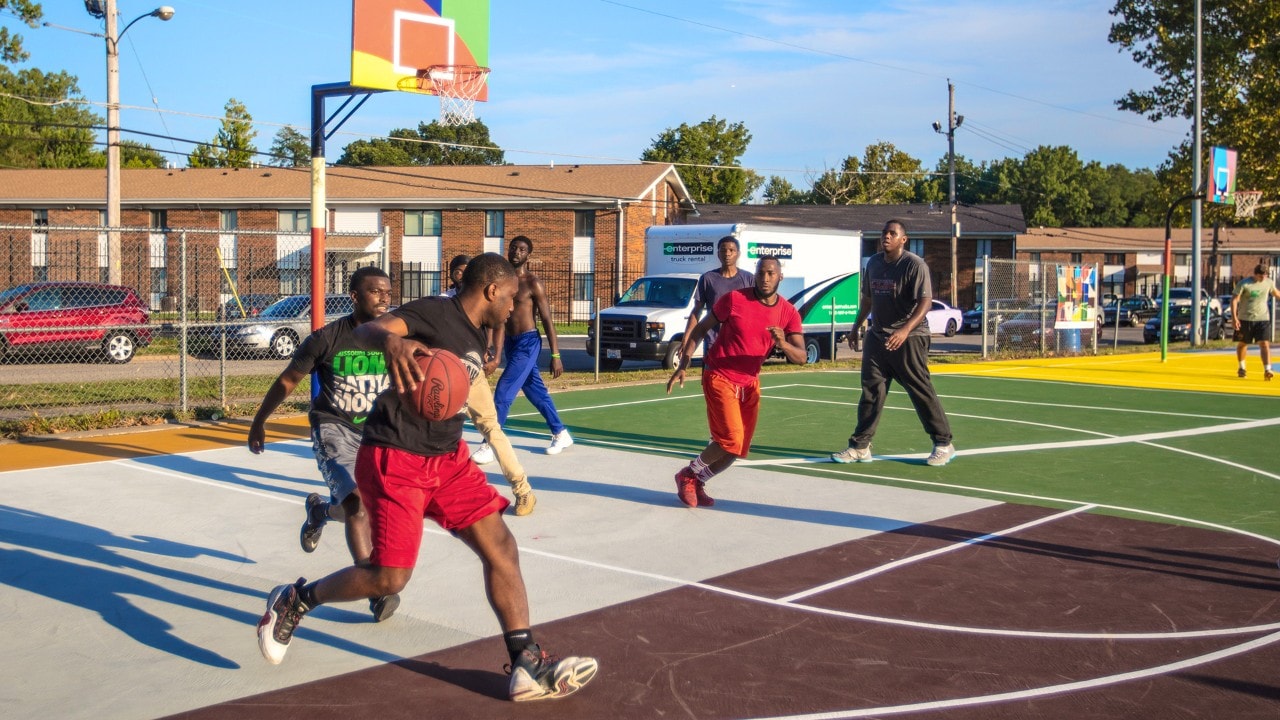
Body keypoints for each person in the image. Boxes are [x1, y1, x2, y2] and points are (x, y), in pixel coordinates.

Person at [256, 253, 598, 702]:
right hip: (395, 457)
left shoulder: (477, 330)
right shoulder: (436, 312)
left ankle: (525, 664)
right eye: (513, 296)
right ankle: (298, 599)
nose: (517, 306)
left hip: (448, 458)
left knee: (502, 547)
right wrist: (392, 343)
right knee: (388, 579)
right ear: (492, 290)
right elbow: (367, 329)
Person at [248, 266, 399, 622]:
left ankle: (319, 511)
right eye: (375, 291)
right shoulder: (327, 338)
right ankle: (376, 589)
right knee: (358, 506)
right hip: (334, 430)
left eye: (388, 292)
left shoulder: (395, 335)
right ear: (355, 297)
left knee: (361, 509)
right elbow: (288, 379)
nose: (384, 298)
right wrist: (259, 422)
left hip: (379, 432)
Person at [666, 256, 806, 507]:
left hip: (750, 383)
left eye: (771, 274)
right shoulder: (734, 299)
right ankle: (688, 473)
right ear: (755, 274)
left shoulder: (788, 312)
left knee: (737, 449)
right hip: (719, 375)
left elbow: (802, 357)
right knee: (730, 439)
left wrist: (783, 343)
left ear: (780, 277)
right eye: (761, 273)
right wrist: (684, 363)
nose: (765, 278)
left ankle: (699, 479)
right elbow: (700, 329)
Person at [831, 219, 956, 467]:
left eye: (892, 233)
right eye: (884, 233)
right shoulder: (874, 263)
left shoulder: (915, 265)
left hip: (911, 337)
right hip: (878, 338)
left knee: (919, 390)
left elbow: (925, 303)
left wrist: (904, 330)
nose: (886, 237)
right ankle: (860, 446)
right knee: (871, 391)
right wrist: (856, 328)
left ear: (903, 239)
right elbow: (868, 299)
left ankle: (944, 444)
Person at [442, 255, 537, 515]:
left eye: (465, 272)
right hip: (445, 377)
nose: (460, 276)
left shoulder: (484, 302)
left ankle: (522, 489)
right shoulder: (441, 301)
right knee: (439, 434)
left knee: (491, 428)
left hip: (472, 376)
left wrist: (494, 354)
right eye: (457, 272)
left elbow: (499, 324)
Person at [491, 235, 573, 455]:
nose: (516, 252)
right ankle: (561, 432)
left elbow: (547, 319)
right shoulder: (503, 282)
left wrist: (555, 355)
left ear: (528, 255)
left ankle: (491, 443)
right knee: (535, 391)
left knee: (503, 391)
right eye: (513, 248)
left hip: (528, 342)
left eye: (522, 249)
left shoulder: (532, 283)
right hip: (511, 342)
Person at [681, 235, 754, 354]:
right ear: (718, 254)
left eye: (731, 250)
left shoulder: (749, 279)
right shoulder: (708, 279)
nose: (727, 253)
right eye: (723, 250)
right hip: (713, 343)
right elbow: (696, 310)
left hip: (740, 344)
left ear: (738, 254)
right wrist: (687, 337)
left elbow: (758, 309)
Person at [1231, 263, 1280, 380]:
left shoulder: (1269, 282)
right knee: (1243, 343)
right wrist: (1234, 318)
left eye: (1265, 275)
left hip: (1262, 318)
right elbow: (1234, 300)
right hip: (1245, 318)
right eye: (1261, 275)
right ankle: (1242, 367)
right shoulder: (1244, 284)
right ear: (1255, 274)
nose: (1263, 277)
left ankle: (1267, 369)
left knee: (1264, 344)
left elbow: (1276, 293)